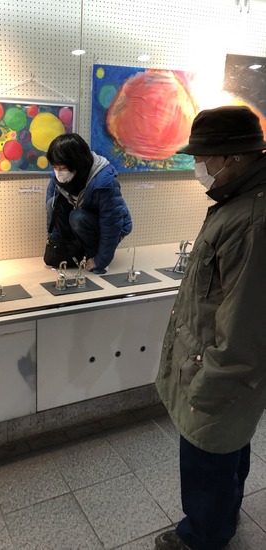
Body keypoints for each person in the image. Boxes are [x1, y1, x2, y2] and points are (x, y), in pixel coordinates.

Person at [155, 105, 266, 550]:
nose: (197, 165)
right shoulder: (236, 202)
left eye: (203, 157)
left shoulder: (252, 220)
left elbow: (245, 328)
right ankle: (222, 518)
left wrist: (207, 392)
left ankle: (202, 537)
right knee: (227, 449)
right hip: (212, 368)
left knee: (209, 458)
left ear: (233, 157)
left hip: (218, 376)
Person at [46, 133, 132, 274]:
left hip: (107, 226)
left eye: (62, 168)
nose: (58, 172)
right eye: (55, 167)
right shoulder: (57, 177)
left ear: (76, 163)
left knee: (77, 217)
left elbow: (111, 225)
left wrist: (101, 260)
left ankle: (93, 254)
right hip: (82, 220)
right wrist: (56, 247)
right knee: (52, 204)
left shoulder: (105, 182)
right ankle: (74, 252)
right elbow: (53, 216)